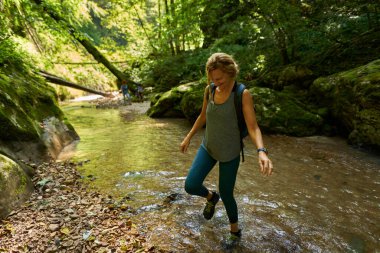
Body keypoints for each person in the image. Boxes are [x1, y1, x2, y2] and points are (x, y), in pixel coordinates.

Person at [180, 53, 273, 246]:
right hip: (208, 147)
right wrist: (189, 136)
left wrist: (261, 151)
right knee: (191, 185)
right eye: (213, 79)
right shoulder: (209, 90)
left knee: (227, 192)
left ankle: (235, 231)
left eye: (219, 79)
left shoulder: (242, 94)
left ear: (231, 73)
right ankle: (211, 198)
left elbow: (253, 126)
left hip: (230, 152)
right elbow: (203, 115)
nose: (216, 82)